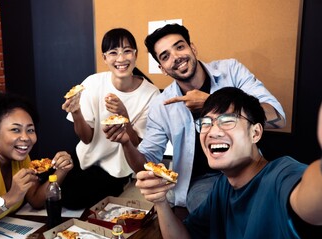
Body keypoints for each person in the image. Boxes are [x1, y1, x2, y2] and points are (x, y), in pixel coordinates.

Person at [108, 23, 286, 212]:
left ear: (192, 48)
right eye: (166, 56)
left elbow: (278, 117)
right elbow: (146, 163)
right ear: (163, 68)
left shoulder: (231, 71)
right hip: (203, 181)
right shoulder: (161, 105)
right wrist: (127, 143)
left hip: (249, 168)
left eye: (179, 47)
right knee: (208, 210)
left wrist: (212, 103)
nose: (176, 57)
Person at [135, 87, 322, 239]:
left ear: (255, 133)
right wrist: (160, 201)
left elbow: (312, 203)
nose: (213, 131)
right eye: (206, 123)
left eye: (227, 120)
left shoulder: (280, 174)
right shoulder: (222, 187)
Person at [61, 28, 160, 209]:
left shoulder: (151, 94)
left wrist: (125, 117)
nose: (121, 59)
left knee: (73, 201)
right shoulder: (92, 83)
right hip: (85, 156)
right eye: (113, 52)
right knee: (49, 189)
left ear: (136, 55)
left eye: (127, 51)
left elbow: (138, 144)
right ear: (105, 58)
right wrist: (76, 113)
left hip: (117, 168)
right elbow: (86, 138)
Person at [0, 91, 73, 238]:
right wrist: (9, 199)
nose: (26, 137)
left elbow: (35, 199)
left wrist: (61, 171)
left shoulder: (20, 158)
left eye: (30, 130)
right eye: (15, 130)